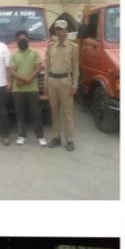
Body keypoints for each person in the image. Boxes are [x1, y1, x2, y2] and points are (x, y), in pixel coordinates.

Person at [45, 19, 79, 151]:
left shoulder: (73, 47)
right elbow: (47, 66)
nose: (59, 31)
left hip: (66, 81)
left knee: (68, 112)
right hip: (53, 81)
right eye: (57, 28)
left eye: (61, 28)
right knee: (54, 110)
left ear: (66, 30)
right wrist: (47, 84)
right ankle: (56, 137)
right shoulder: (50, 47)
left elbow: (76, 68)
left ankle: (70, 139)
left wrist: (75, 85)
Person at [8, 31, 44, 147]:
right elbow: (12, 71)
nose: (22, 40)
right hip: (17, 90)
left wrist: (28, 80)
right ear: (17, 41)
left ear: (28, 39)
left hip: (32, 89)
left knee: (36, 113)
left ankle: (40, 136)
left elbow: (39, 68)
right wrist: (26, 80)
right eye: (19, 39)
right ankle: (22, 135)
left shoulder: (35, 53)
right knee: (19, 114)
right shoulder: (14, 55)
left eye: (24, 38)